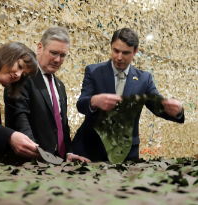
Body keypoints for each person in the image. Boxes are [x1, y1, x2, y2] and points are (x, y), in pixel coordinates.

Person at [72, 28, 185, 162]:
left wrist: (176, 111)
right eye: (116, 51)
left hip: (126, 154)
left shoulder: (144, 79)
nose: (119, 57)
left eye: (125, 53)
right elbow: (81, 104)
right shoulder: (93, 71)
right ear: (111, 47)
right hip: (91, 149)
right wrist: (94, 101)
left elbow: (158, 106)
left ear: (135, 51)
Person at [4, 27, 90, 162]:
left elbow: (62, 126)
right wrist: (38, 154)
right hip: (30, 163)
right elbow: (20, 119)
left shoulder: (60, 86)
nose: (57, 60)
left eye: (62, 55)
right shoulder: (21, 77)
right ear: (40, 47)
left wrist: (68, 153)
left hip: (57, 164)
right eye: (54, 53)